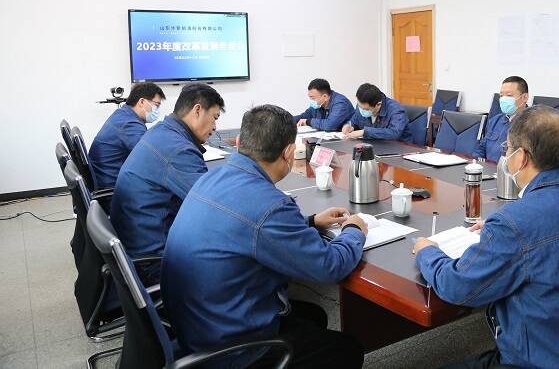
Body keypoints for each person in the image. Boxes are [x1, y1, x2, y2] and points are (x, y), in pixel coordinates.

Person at [415, 106, 559, 368]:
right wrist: (502, 232)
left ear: (521, 157)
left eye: (507, 149)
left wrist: (427, 251)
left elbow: (457, 287)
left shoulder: (515, 222)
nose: (505, 155)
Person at [162, 104, 367, 369]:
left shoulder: (212, 177)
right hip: (230, 347)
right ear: (289, 153)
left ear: (239, 142)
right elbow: (329, 267)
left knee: (313, 315)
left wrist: (310, 222)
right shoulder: (270, 205)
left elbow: (245, 226)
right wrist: (353, 230)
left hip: (194, 322)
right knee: (348, 349)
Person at [111, 83, 224, 284]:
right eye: (214, 117)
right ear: (197, 110)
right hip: (156, 260)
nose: (215, 127)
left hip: (138, 243)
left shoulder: (163, 131)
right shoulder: (179, 150)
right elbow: (216, 208)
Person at [88, 82, 165, 189]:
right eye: (156, 105)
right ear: (142, 102)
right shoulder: (129, 124)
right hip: (113, 186)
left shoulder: (123, 114)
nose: (157, 110)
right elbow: (151, 158)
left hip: (105, 177)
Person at [472, 76, 529, 162]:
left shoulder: (533, 124)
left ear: (524, 97)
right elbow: (481, 148)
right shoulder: (495, 120)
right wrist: (476, 164)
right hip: (489, 168)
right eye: (501, 95)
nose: (503, 99)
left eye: (509, 95)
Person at [342, 83, 412, 143]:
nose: (362, 110)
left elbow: (394, 133)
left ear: (378, 104)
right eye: (359, 106)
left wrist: (365, 132)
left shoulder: (396, 110)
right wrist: (350, 126)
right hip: (374, 146)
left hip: (398, 148)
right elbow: (354, 121)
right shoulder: (362, 105)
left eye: (366, 109)